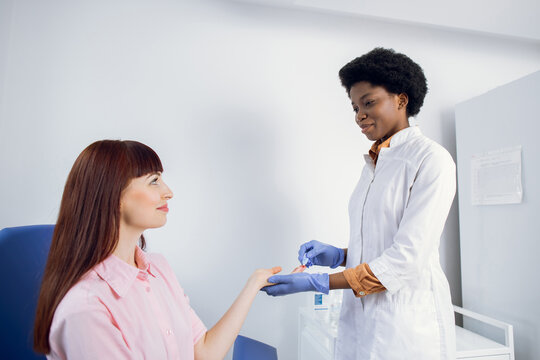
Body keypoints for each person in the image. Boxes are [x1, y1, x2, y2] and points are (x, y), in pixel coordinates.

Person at [262, 48, 456, 359]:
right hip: (361, 323)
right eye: (355, 107)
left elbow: (406, 260)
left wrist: (318, 282)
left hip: (406, 328)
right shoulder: (375, 164)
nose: (359, 116)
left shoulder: (431, 160)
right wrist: (341, 255)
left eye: (368, 103)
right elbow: (381, 243)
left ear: (401, 100)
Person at [33, 140, 280, 359]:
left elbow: (203, 352)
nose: (168, 192)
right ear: (115, 195)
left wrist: (254, 284)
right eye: (154, 181)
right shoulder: (85, 309)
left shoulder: (157, 269)